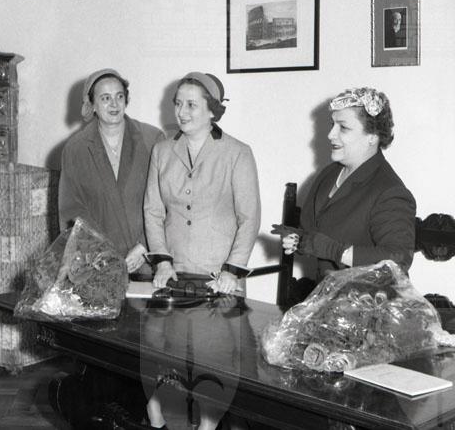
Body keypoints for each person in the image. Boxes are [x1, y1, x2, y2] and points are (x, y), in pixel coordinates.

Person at [143, 72, 261, 430]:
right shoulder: (163, 150)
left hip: (218, 278)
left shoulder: (237, 153)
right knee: (165, 353)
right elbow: (153, 211)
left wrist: (231, 271)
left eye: (191, 105)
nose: (182, 112)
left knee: (216, 362)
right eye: (178, 103)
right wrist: (162, 261)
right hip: (174, 274)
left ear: (213, 110)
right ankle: (156, 419)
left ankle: (209, 425)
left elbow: (249, 217)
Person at [272, 87, 416, 304]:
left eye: (343, 127)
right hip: (326, 299)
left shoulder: (389, 191)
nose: (331, 134)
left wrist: (335, 251)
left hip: (371, 307)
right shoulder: (329, 174)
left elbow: (398, 258)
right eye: (332, 125)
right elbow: (316, 234)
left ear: (372, 137)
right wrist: (299, 239)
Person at [58, 68, 165, 273]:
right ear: (92, 105)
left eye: (119, 96)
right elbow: (71, 212)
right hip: (98, 265)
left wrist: (144, 246)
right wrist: (100, 255)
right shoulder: (75, 149)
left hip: (148, 260)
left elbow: (168, 202)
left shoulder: (152, 139)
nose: (114, 104)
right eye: (105, 98)